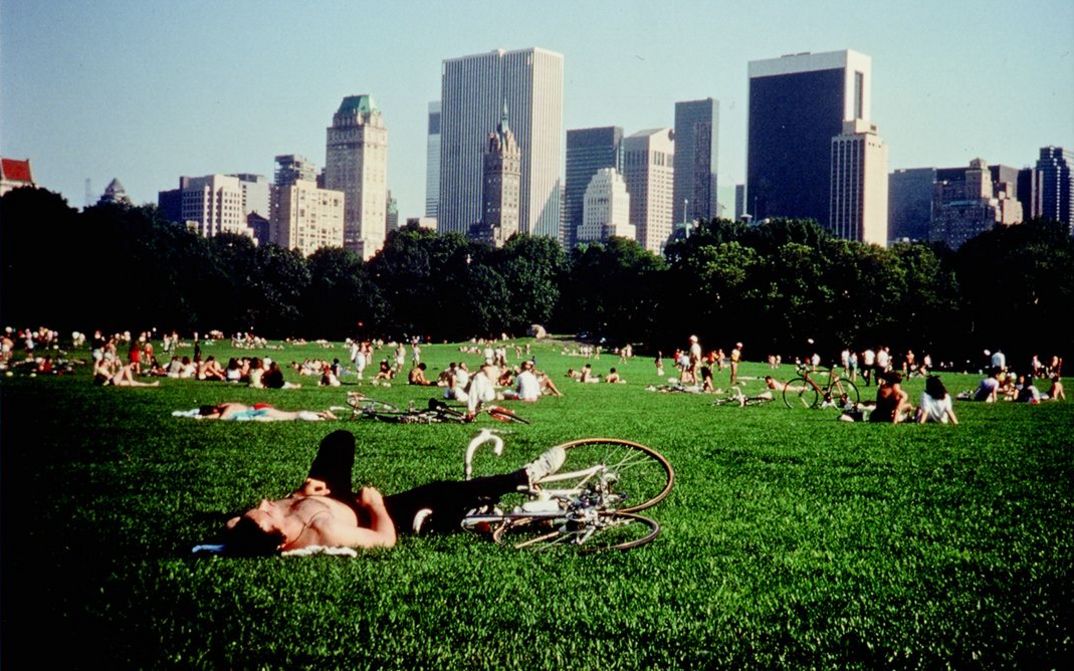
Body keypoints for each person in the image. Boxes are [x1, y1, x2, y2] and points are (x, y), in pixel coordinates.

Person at [221, 430, 566, 554]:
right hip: (363, 510)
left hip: (325, 493)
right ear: (281, 536)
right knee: (442, 490)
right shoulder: (323, 531)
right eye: (267, 511)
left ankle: (322, 481)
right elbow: (385, 540)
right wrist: (374, 506)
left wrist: (299, 493)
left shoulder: (247, 527)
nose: (266, 503)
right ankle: (521, 477)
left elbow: (237, 524)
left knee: (339, 440)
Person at [193, 402, 336, 421]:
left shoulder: (229, 409)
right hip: (259, 411)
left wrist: (200, 417)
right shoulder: (233, 406)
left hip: (261, 412)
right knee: (289, 415)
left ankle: (323, 416)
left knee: (290, 416)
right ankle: (321, 414)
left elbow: (220, 418)